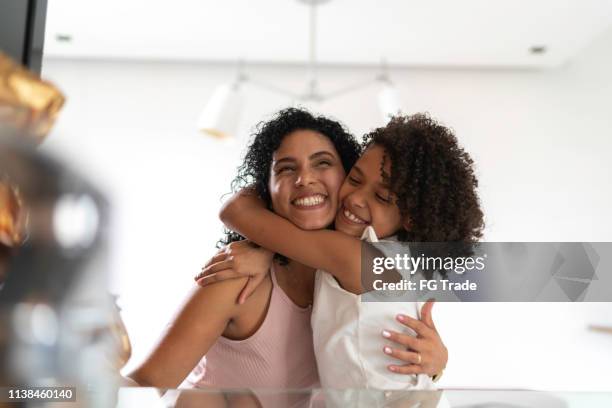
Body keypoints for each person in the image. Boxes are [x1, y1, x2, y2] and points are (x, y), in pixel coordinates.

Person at [126, 108, 445, 390]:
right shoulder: (237, 278)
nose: (305, 178)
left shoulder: (361, 278)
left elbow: (385, 370)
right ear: (267, 189)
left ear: (344, 177)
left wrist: (437, 363)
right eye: (286, 168)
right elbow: (144, 385)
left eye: (322, 163)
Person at [202, 113, 482, 389]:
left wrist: (268, 215)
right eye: (356, 179)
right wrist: (265, 248)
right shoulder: (400, 258)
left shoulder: (355, 257)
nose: (356, 199)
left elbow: (235, 210)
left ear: (411, 217)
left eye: (382, 197)